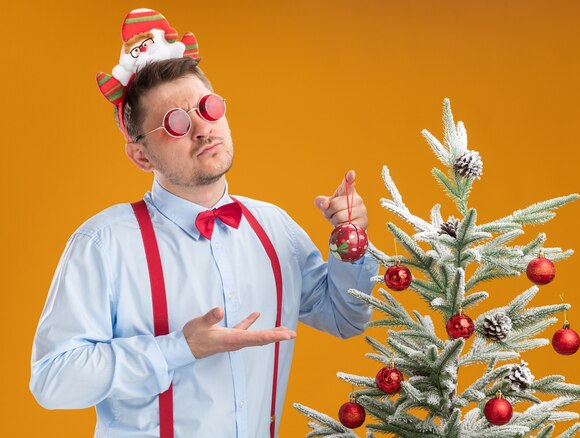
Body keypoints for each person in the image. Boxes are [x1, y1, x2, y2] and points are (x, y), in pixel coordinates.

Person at [30, 8, 378, 438]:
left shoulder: (275, 229)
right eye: (176, 123)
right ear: (140, 155)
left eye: (207, 108)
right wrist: (177, 349)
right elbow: (52, 380)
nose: (202, 129)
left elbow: (345, 319)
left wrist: (351, 242)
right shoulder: (103, 243)